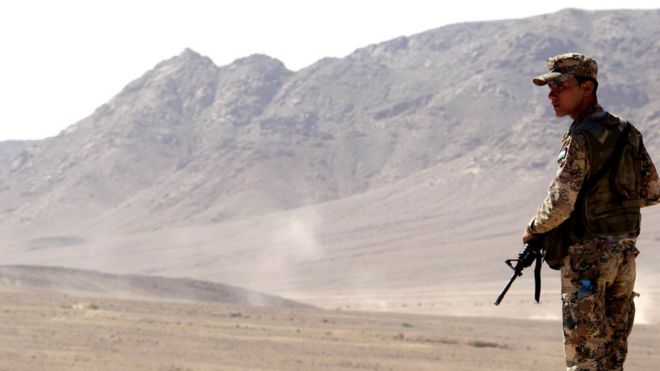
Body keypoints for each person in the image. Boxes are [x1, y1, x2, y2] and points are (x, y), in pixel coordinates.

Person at [522, 53, 660, 370]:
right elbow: (652, 192)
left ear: (587, 88)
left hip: (588, 260)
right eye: (549, 88)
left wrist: (533, 228)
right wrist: (609, 201)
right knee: (611, 361)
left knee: (585, 360)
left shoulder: (581, 136)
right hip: (624, 256)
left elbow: (560, 203)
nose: (552, 95)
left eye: (560, 86)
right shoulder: (627, 132)